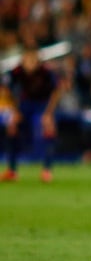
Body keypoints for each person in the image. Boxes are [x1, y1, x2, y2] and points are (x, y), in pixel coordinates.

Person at [2, 44, 62, 183]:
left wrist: (48, 113)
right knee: (12, 125)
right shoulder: (17, 71)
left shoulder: (46, 72)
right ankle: (12, 170)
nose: (30, 62)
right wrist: (14, 110)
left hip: (42, 104)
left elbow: (56, 91)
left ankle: (47, 170)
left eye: (33, 58)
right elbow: (6, 91)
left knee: (49, 127)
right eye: (27, 58)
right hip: (24, 104)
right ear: (23, 59)